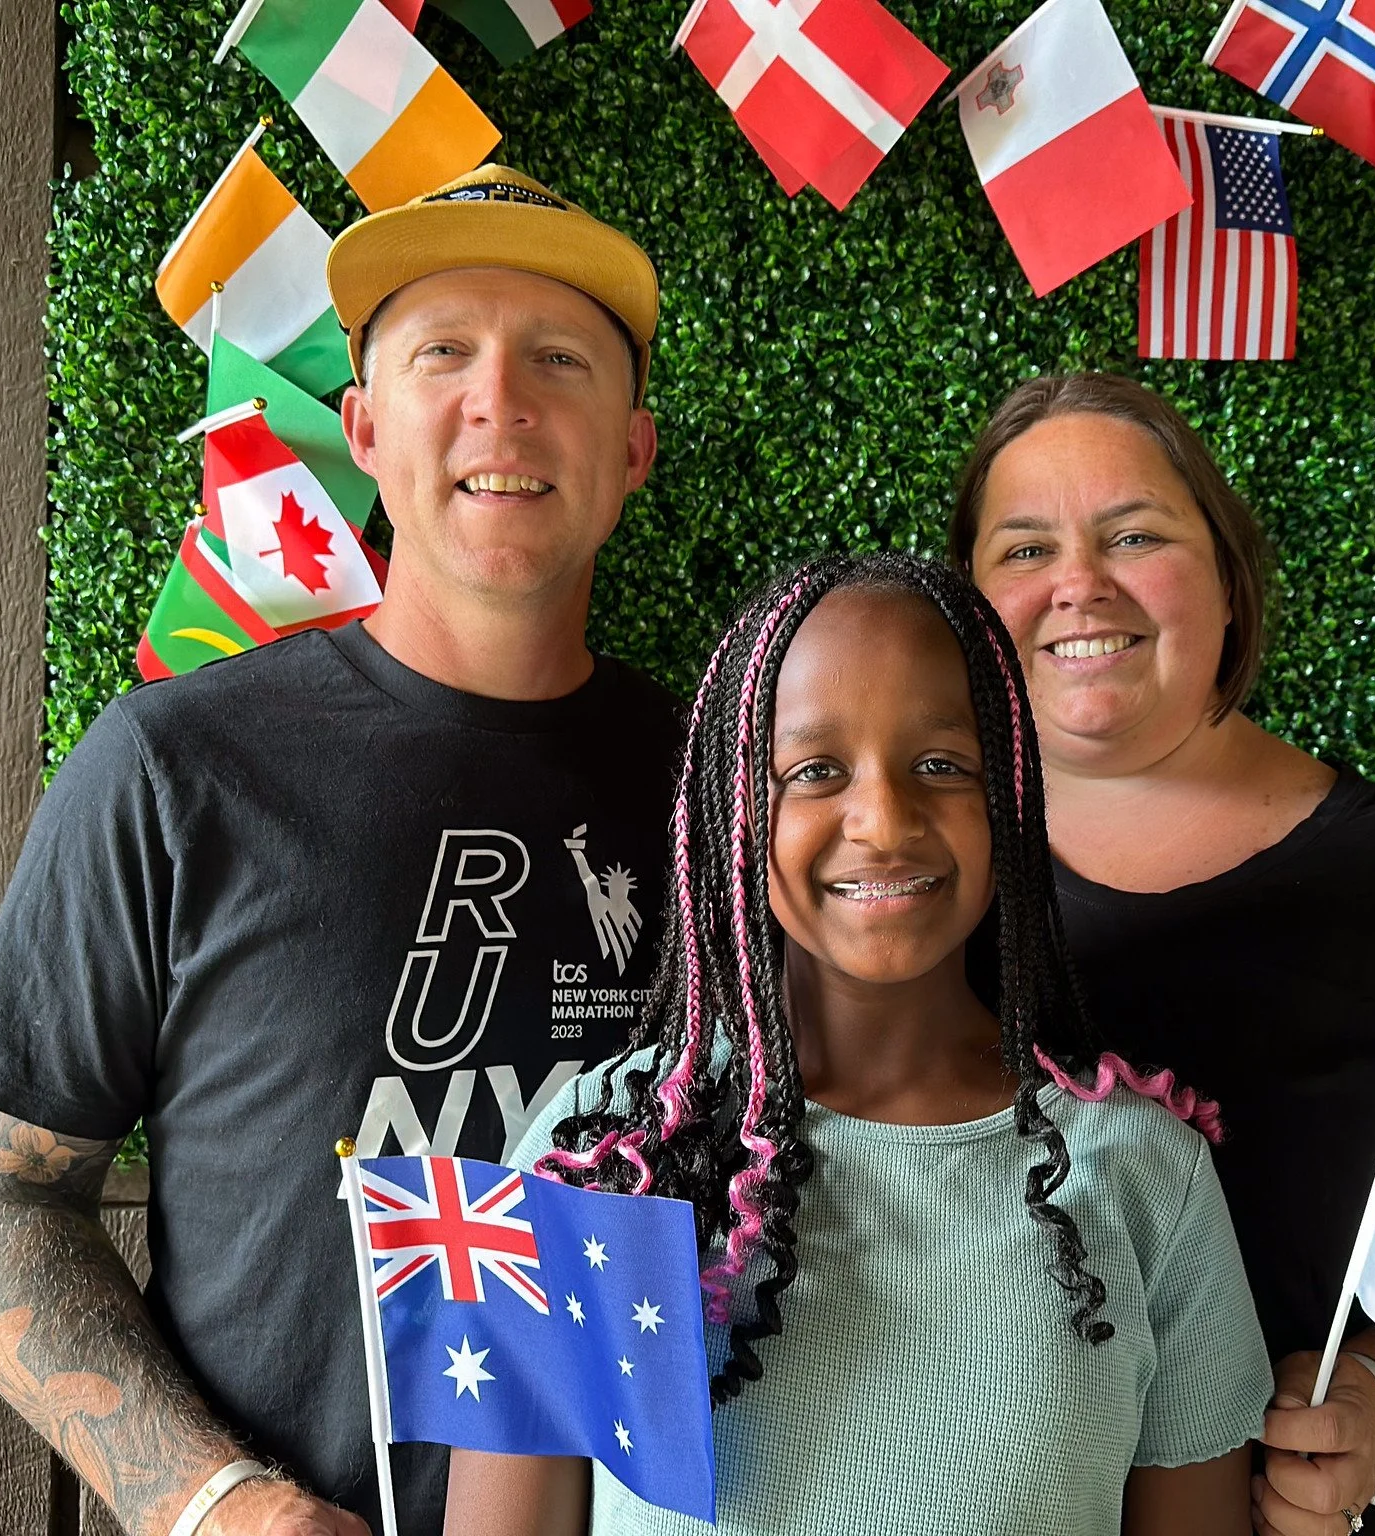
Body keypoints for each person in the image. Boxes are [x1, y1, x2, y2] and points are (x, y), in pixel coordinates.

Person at [0, 166, 681, 1536]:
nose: (498, 401)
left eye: (557, 359)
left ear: (631, 448)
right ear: (365, 428)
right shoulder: (175, 766)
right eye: (444, 352)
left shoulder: (726, 791)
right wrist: (221, 1506)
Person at [446, 554, 1274, 1536]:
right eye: (815, 772)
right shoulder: (594, 1161)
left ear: (1006, 796)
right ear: (732, 813)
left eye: (939, 766)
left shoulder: (1147, 1179)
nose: (881, 821)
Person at [956, 373, 1375, 1536]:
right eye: (1023, 550)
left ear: (1225, 580)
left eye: (1134, 534)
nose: (1077, 584)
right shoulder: (905, 895)